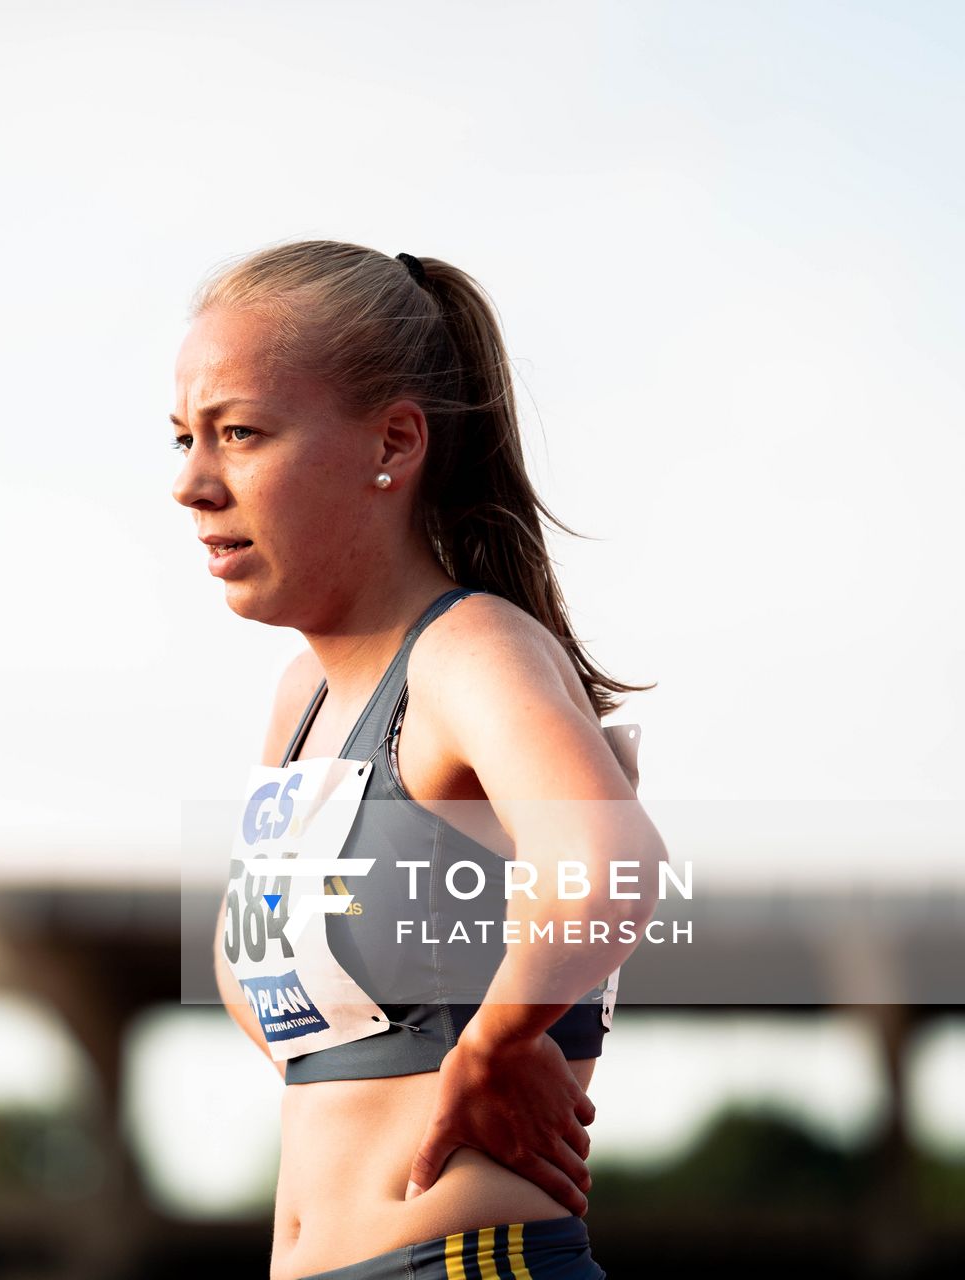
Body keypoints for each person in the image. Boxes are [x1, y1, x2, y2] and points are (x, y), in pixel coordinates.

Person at [175, 241, 669, 1280]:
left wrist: (496, 1037)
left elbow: (614, 860)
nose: (192, 483)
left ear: (393, 442)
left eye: (240, 433)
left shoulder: (467, 649)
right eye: (183, 438)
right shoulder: (301, 700)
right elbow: (258, 981)